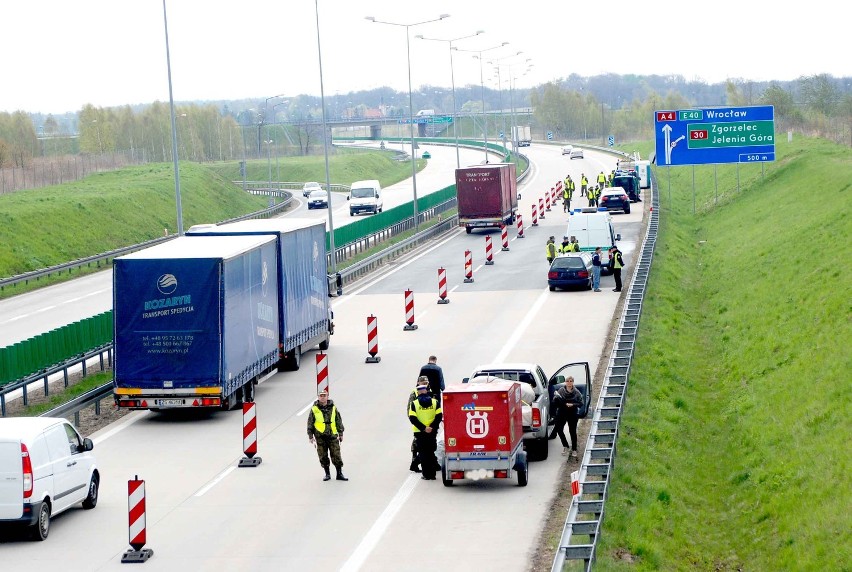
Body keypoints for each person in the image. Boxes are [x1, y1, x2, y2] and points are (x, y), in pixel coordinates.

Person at [307, 390, 348, 481]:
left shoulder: (333, 408)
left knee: (336, 455)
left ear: (327, 396)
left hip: (332, 435)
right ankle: (327, 474)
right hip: (320, 436)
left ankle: (339, 473)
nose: (322, 397)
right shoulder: (314, 409)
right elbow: (310, 423)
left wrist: (340, 433)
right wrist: (310, 436)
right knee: (323, 456)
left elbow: (338, 420)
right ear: (318, 397)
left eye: (324, 395)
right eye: (321, 395)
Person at [409, 382, 443, 480]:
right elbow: (439, 416)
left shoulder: (414, 404)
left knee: (423, 453)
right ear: (426, 391)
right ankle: (432, 475)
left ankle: (426, 474)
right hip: (432, 432)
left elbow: (412, 418)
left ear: (418, 393)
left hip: (420, 433)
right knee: (431, 452)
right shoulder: (434, 402)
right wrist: (431, 427)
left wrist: (424, 428)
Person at [548, 376, 583, 458]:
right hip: (561, 412)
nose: (569, 382)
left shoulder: (576, 392)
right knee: (559, 429)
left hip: (572, 413)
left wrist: (573, 404)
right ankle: (565, 446)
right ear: (565, 382)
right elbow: (554, 402)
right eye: (567, 381)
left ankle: (574, 449)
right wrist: (556, 399)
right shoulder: (561, 390)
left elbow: (581, 403)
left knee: (572, 431)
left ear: (573, 382)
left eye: (571, 381)